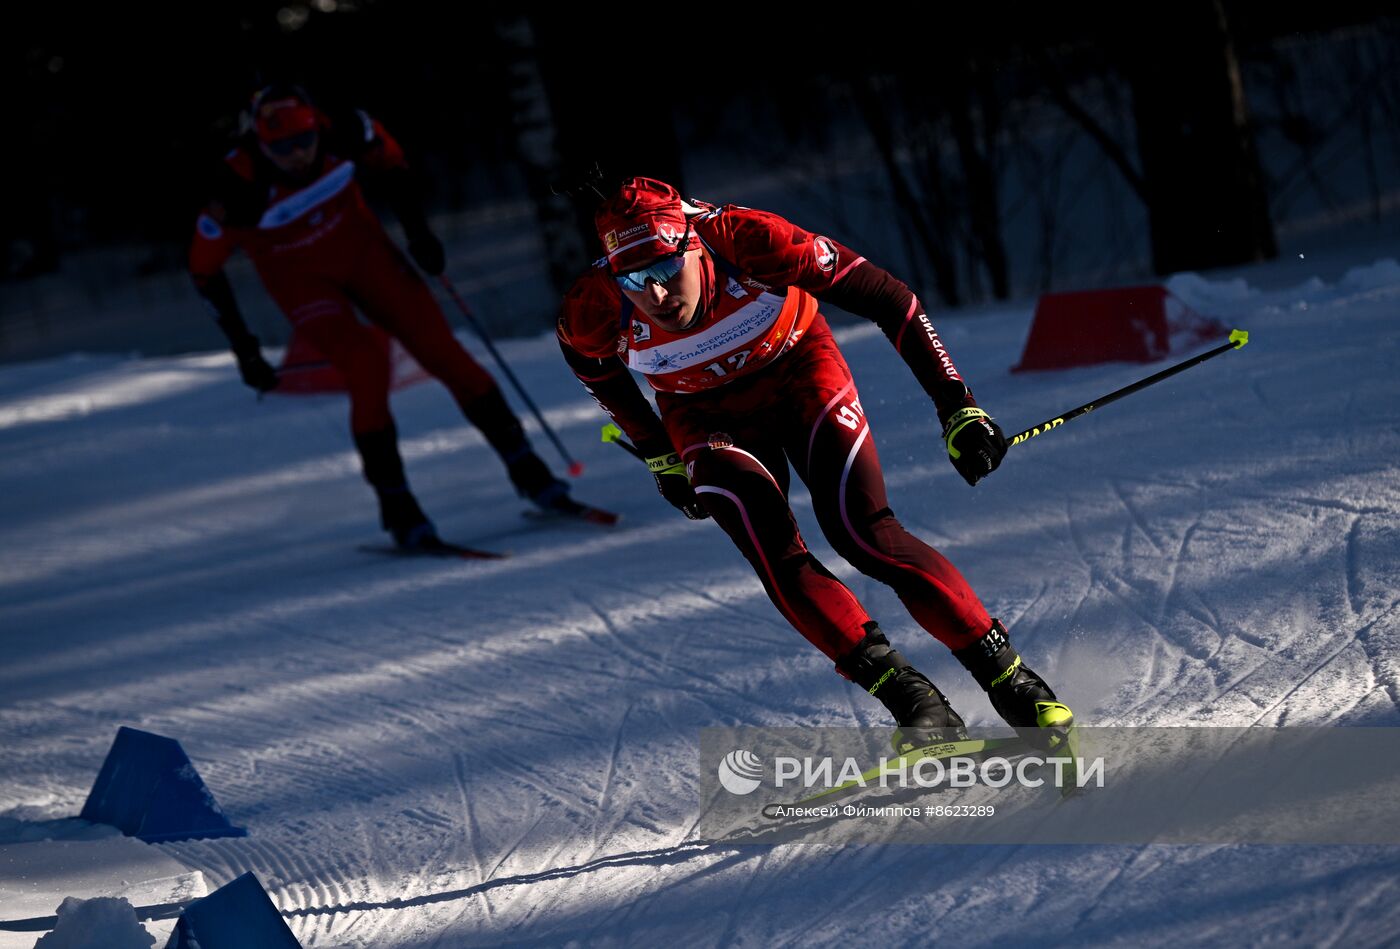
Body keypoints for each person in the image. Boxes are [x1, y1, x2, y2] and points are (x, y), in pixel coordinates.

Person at [556, 177, 1073, 751]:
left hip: (800, 372)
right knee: (771, 547)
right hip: (702, 413)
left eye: (662, 270)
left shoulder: (750, 241)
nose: (653, 294)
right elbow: (592, 366)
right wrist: (659, 454)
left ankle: (1014, 684)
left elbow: (889, 297)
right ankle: (915, 702)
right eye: (633, 279)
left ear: (691, 246)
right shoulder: (594, 308)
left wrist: (958, 407)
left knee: (862, 533)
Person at [189, 83, 572, 548]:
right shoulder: (236, 185)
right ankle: (399, 507)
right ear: (258, 143)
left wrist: (419, 234)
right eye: (280, 147)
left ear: (316, 126)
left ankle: (530, 472)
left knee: (445, 353)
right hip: (302, 282)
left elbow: (391, 164)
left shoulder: (347, 130)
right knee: (366, 362)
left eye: (303, 141)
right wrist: (244, 348)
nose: (296, 155)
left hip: (367, 257)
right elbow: (204, 270)